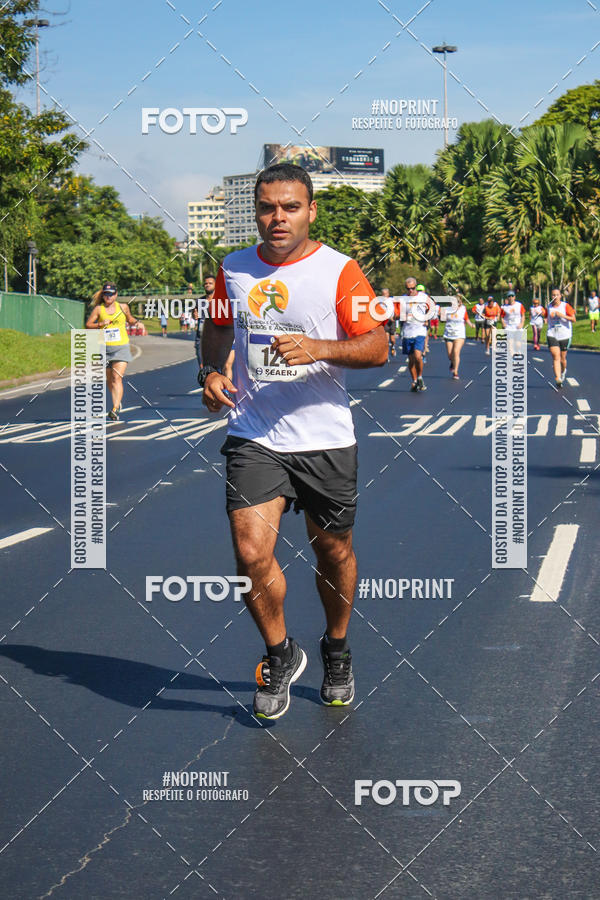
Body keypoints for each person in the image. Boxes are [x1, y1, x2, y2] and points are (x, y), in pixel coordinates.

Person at [200, 163, 387, 720]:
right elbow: (217, 325)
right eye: (267, 208)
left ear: (310, 211)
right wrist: (209, 371)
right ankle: (280, 653)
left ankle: (337, 647)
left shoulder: (339, 271)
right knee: (250, 552)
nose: (277, 218)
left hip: (325, 438)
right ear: (255, 212)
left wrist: (320, 348)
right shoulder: (233, 268)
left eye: (290, 207)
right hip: (254, 433)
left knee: (333, 551)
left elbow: (378, 346)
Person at [85, 282, 140, 421]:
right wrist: (100, 324)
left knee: (117, 377)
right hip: (104, 348)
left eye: (111, 294)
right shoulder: (99, 309)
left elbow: (130, 319)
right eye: (106, 294)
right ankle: (117, 400)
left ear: (116, 295)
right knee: (109, 379)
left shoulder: (123, 307)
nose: (108, 296)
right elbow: (88, 325)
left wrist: (137, 322)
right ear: (103, 295)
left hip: (121, 347)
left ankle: (115, 409)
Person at [400, 277, 429, 391]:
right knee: (411, 360)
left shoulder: (423, 297)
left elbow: (431, 308)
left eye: (412, 288)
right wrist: (403, 317)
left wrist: (426, 319)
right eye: (408, 289)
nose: (410, 290)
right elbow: (397, 315)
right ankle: (415, 380)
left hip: (420, 330)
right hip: (407, 332)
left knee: (418, 356)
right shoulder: (403, 299)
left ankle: (420, 377)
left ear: (416, 287)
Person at [547, 287, 576, 388]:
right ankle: (558, 378)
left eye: (557, 295)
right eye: (553, 295)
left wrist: (561, 315)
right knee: (556, 356)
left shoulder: (565, 306)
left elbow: (573, 319)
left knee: (562, 359)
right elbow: (545, 316)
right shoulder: (549, 307)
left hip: (565, 335)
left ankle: (563, 371)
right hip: (552, 334)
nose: (555, 297)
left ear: (560, 296)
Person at [443, 295, 473, 379]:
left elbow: (466, 319)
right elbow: (442, 319)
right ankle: (453, 362)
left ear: (460, 303)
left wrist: (471, 324)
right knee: (450, 355)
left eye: (457, 302)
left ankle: (455, 372)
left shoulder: (463, 309)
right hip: (448, 333)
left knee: (456, 352)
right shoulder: (447, 309)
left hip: (459, 334)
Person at [381, 287, 397, 357]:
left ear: (388, 294)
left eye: (386, 294)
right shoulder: (380, 302)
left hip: (392, 321)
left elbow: (398, 306)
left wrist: (396, 316)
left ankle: (393, 347)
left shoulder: (391, 300)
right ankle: (386, 353)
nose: (384, 295)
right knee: (386, 339)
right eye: (383, 294)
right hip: (385, 321)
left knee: (392, 339)